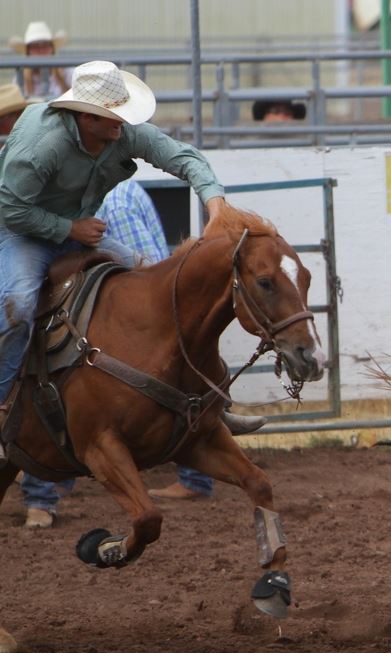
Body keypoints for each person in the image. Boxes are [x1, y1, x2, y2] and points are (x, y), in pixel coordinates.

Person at [0, 60, 228, 473]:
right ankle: (1, 410)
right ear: (88, 117)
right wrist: (69, 226)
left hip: (80, 230)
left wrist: (215, 203)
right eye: (116, 116)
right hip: (23, 234)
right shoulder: (41, 145)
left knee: (153, 284)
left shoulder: (118, 133)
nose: (124, 124)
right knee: (16, 303)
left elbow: (181, 156)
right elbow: (11, 209)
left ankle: (206, 406)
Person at [19, 181, 216, 529]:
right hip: (137, 309)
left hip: (130, 316)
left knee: (56, 379)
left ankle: (43, 490)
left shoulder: (115, 201)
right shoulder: (121, 190)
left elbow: (137, 271)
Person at [8, 21, 71, 100]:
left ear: (52, 48)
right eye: (35, 46)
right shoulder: (20, 78)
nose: (41, 50)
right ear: (28, 51)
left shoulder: (66, 71)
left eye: (45, 45)